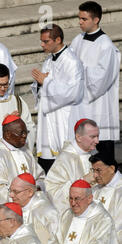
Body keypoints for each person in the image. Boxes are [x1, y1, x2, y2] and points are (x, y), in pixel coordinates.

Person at [0, 115, 45, 229]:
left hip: (32, 211)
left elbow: (40, 176)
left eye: (26, 132)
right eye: (21, 133)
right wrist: (23, 196)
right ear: (7, 134)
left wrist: (38, 187)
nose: (25, 136)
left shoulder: (26, 152)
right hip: (11, 217)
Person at [70, 1, 121, 160]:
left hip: (99, 109)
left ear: (96, 20)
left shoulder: (106, 46)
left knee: (102, 161)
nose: (80, 22)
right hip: (81, 107)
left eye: (84, 19)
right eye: (79, 18)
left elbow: (101, 80)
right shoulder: (78, 40)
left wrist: (79, 71)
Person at [31, 24, 84, 174]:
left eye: (45, 41)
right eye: (41, 41)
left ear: (58, 39)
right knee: (47, 165)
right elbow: (42, 87)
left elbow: (74, 93)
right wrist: (40, 84)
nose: (42, 45)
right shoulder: (49, 61)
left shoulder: (72, 62)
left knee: (65, 166)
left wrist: (46, 82)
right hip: (48, 118)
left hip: (63, 119)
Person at [45, 119, 99, 214]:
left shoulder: (96, 155)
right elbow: (52, 192)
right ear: (78, 137)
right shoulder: (65, 159)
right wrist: (83, 181)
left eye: (98, 136)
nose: (97, 141)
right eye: (93, 137)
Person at [9, 173, 59, 244]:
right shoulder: (16, 206)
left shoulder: (46, 212)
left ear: (30, 192)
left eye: (16, 192)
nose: (11, 195)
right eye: (10, 190)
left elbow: (55, 242)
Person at [89, 153, 122, 244]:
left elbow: (118, 228)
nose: (95, 175)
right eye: (93, 170)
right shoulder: (95, 189)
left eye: (98, 171)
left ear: (112, 169)